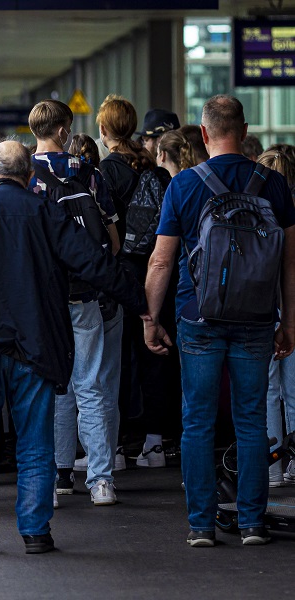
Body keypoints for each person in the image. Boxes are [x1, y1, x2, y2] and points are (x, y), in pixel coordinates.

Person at [0, 140, 147, 554]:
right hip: (35, 345)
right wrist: (143, 304)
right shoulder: (47, 212)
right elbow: (94, 263)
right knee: (35, 444)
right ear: (30, 177)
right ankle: (35, 532)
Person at [144, 95, 295, 547]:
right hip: (256, 317)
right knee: (250, 421)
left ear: (204, 134)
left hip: (198, 315)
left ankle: (201, 525)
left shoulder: (185, 185)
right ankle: (251, 522)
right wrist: (289, 322)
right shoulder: (273, 184)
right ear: (244, 130)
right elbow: (290, 262)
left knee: (198, 421)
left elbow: (160, 262)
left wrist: (150, 318)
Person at [28, 100, 122, 505]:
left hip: (42, 298)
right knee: (92, 384)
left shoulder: (23, 176)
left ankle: (54, 477)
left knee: (52, 386)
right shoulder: (88, 173)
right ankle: (101, 480)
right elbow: (113, 241)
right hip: (85, 293)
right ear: (65, 130)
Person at [97, 95, 169, 472]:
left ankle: (117, 447)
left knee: (117, 360)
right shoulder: (150, 167)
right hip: (158, 271)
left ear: (104, 128)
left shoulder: (105, 172)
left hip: (120, 274)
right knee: (153, 352)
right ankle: (155, 442)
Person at [258, 147, 295, 487]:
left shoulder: (256, 211)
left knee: (268, 390)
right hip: (292, 307)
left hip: (264, 307)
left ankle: (271, 468)